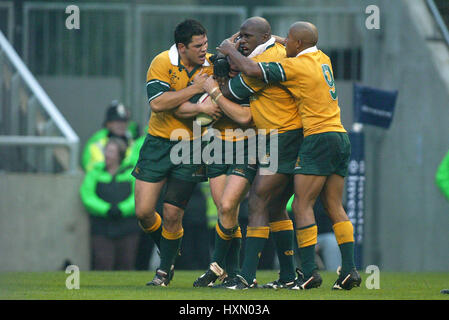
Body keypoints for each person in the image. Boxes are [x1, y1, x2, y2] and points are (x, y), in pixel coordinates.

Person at [218, 21, 362, 290]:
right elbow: (292, 42)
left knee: (299, 206)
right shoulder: (322, 57)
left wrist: (229, 49)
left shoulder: (295, 67)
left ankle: (307, 272)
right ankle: (349, 270)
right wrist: (273, 38)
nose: (286, 45)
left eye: (289, 42)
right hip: (340, 135)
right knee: (333, 206)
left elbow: (249, 69)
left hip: (315, 136)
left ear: (298, 44)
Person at [207, 17, 303, 290]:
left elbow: (230, 93)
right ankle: (288, 275)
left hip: (282, 137)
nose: (242, 41)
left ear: (265, 37)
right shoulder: (271, 49)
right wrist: (233, 49)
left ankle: (246, 278)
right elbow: (245, 48)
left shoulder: (266, 63)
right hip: (278, 137)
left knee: (259, 202)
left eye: (247, 36)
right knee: (275, 206)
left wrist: (215, 86)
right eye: (241, 36)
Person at [132, 19, 219, 286]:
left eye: (205, 43)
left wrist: (188, 102)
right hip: (158, 143)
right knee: (144, 212)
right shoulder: (162, 62)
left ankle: (164, 270)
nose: (204, 49)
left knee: (172, 214)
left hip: (191, 145)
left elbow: (193, 105)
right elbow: (159, 104)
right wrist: (196, 94)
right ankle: (171, 246)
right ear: (182, 47)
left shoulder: (214, 64)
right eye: (198, 45)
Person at [79, 137, 140, 270]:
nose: (107, 155)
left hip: (128, 226)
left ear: (120, 155)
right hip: (101, 227)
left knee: (126, 263)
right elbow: (87, 195)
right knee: (102, 261)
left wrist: (121, 209)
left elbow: (139, 196)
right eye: (106, 151)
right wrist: (106, 209)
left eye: (111, 152)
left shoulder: (131, 173)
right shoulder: (95, 172)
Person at [82, 100, 138, 172]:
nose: (121, 124)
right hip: (101, 181)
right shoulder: (96, 142)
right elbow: (88, 167)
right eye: (117, 121)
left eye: (124, 121)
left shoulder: (133, 142)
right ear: (108, 123)